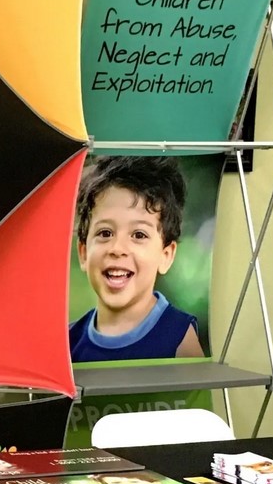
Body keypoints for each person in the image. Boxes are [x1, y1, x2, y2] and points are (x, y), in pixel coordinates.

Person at [69, 155, 205, 363]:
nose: (117, 249)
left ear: (166, 256)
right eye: (105, 233)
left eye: (139, 235)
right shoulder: (68, 343)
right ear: (84, 253)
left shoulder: (178, 336)